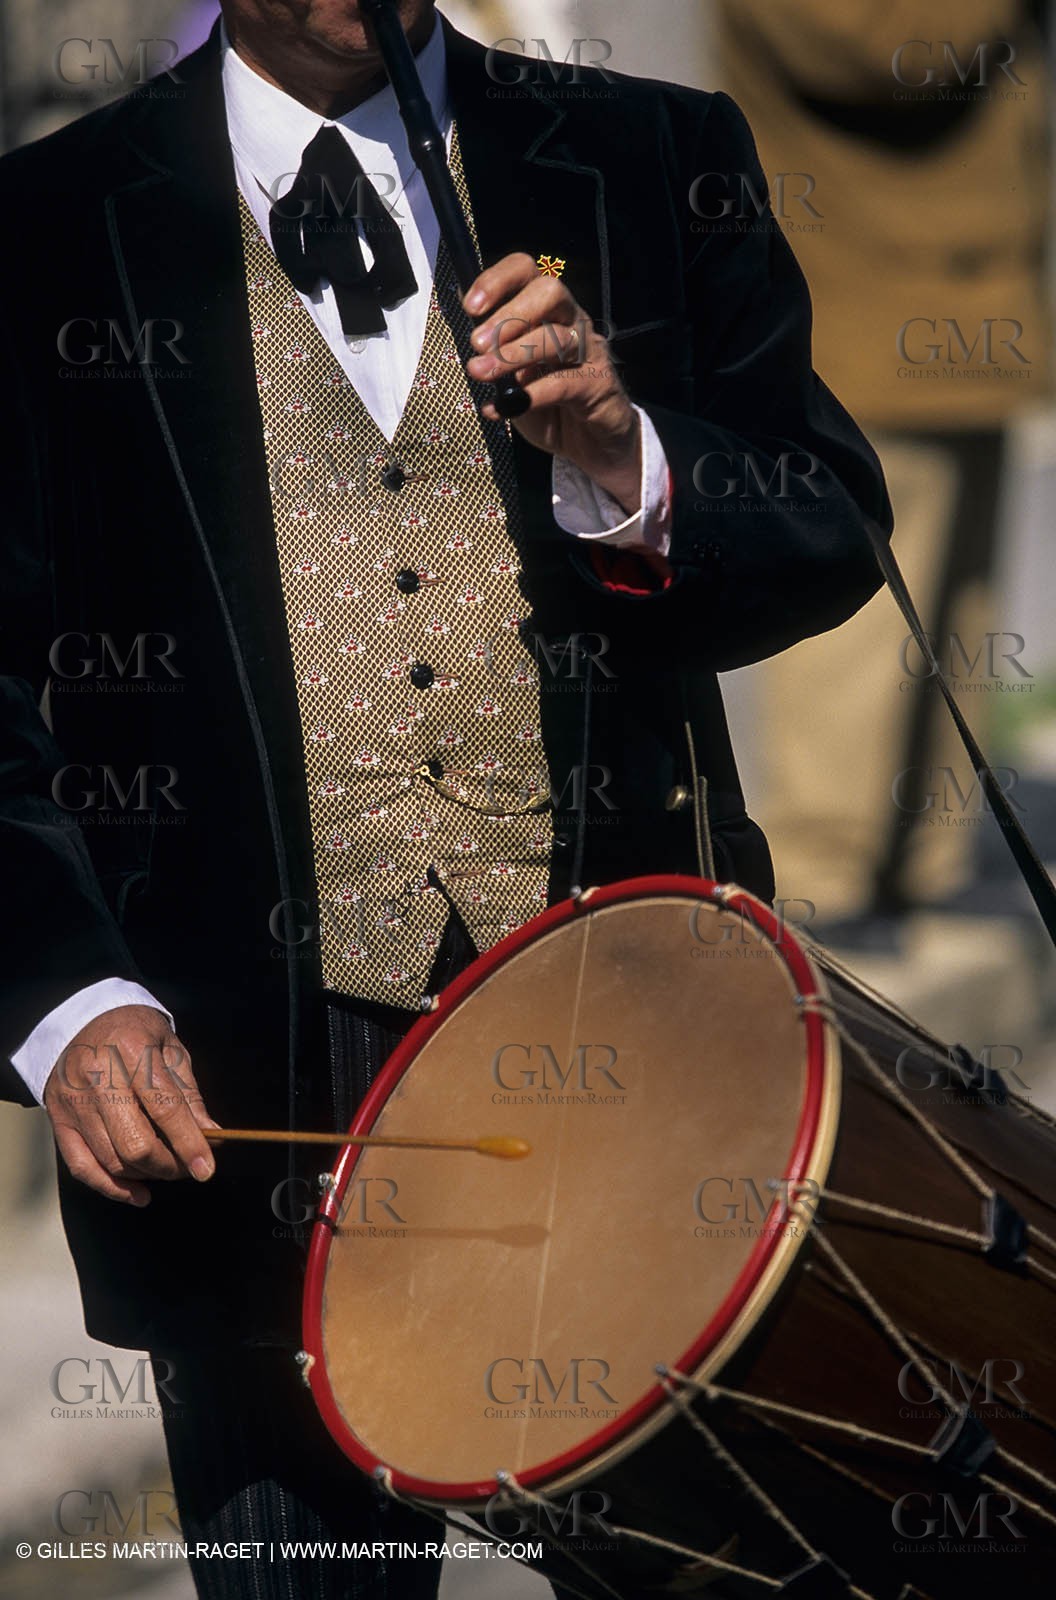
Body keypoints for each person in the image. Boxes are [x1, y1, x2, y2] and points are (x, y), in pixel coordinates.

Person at [0, 2, 891, 1595]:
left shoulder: (653, 156)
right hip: (257, 1091)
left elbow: (826, 522)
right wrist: (64, 999)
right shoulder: (41, 231)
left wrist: (629, 461)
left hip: (635, 1047)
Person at [716, 0, 1051, 932]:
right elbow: (861, 39)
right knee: (855, 620)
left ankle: (919, 871)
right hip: (867, 302)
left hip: (968, 295)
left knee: (961, 613)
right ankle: (828, 889)